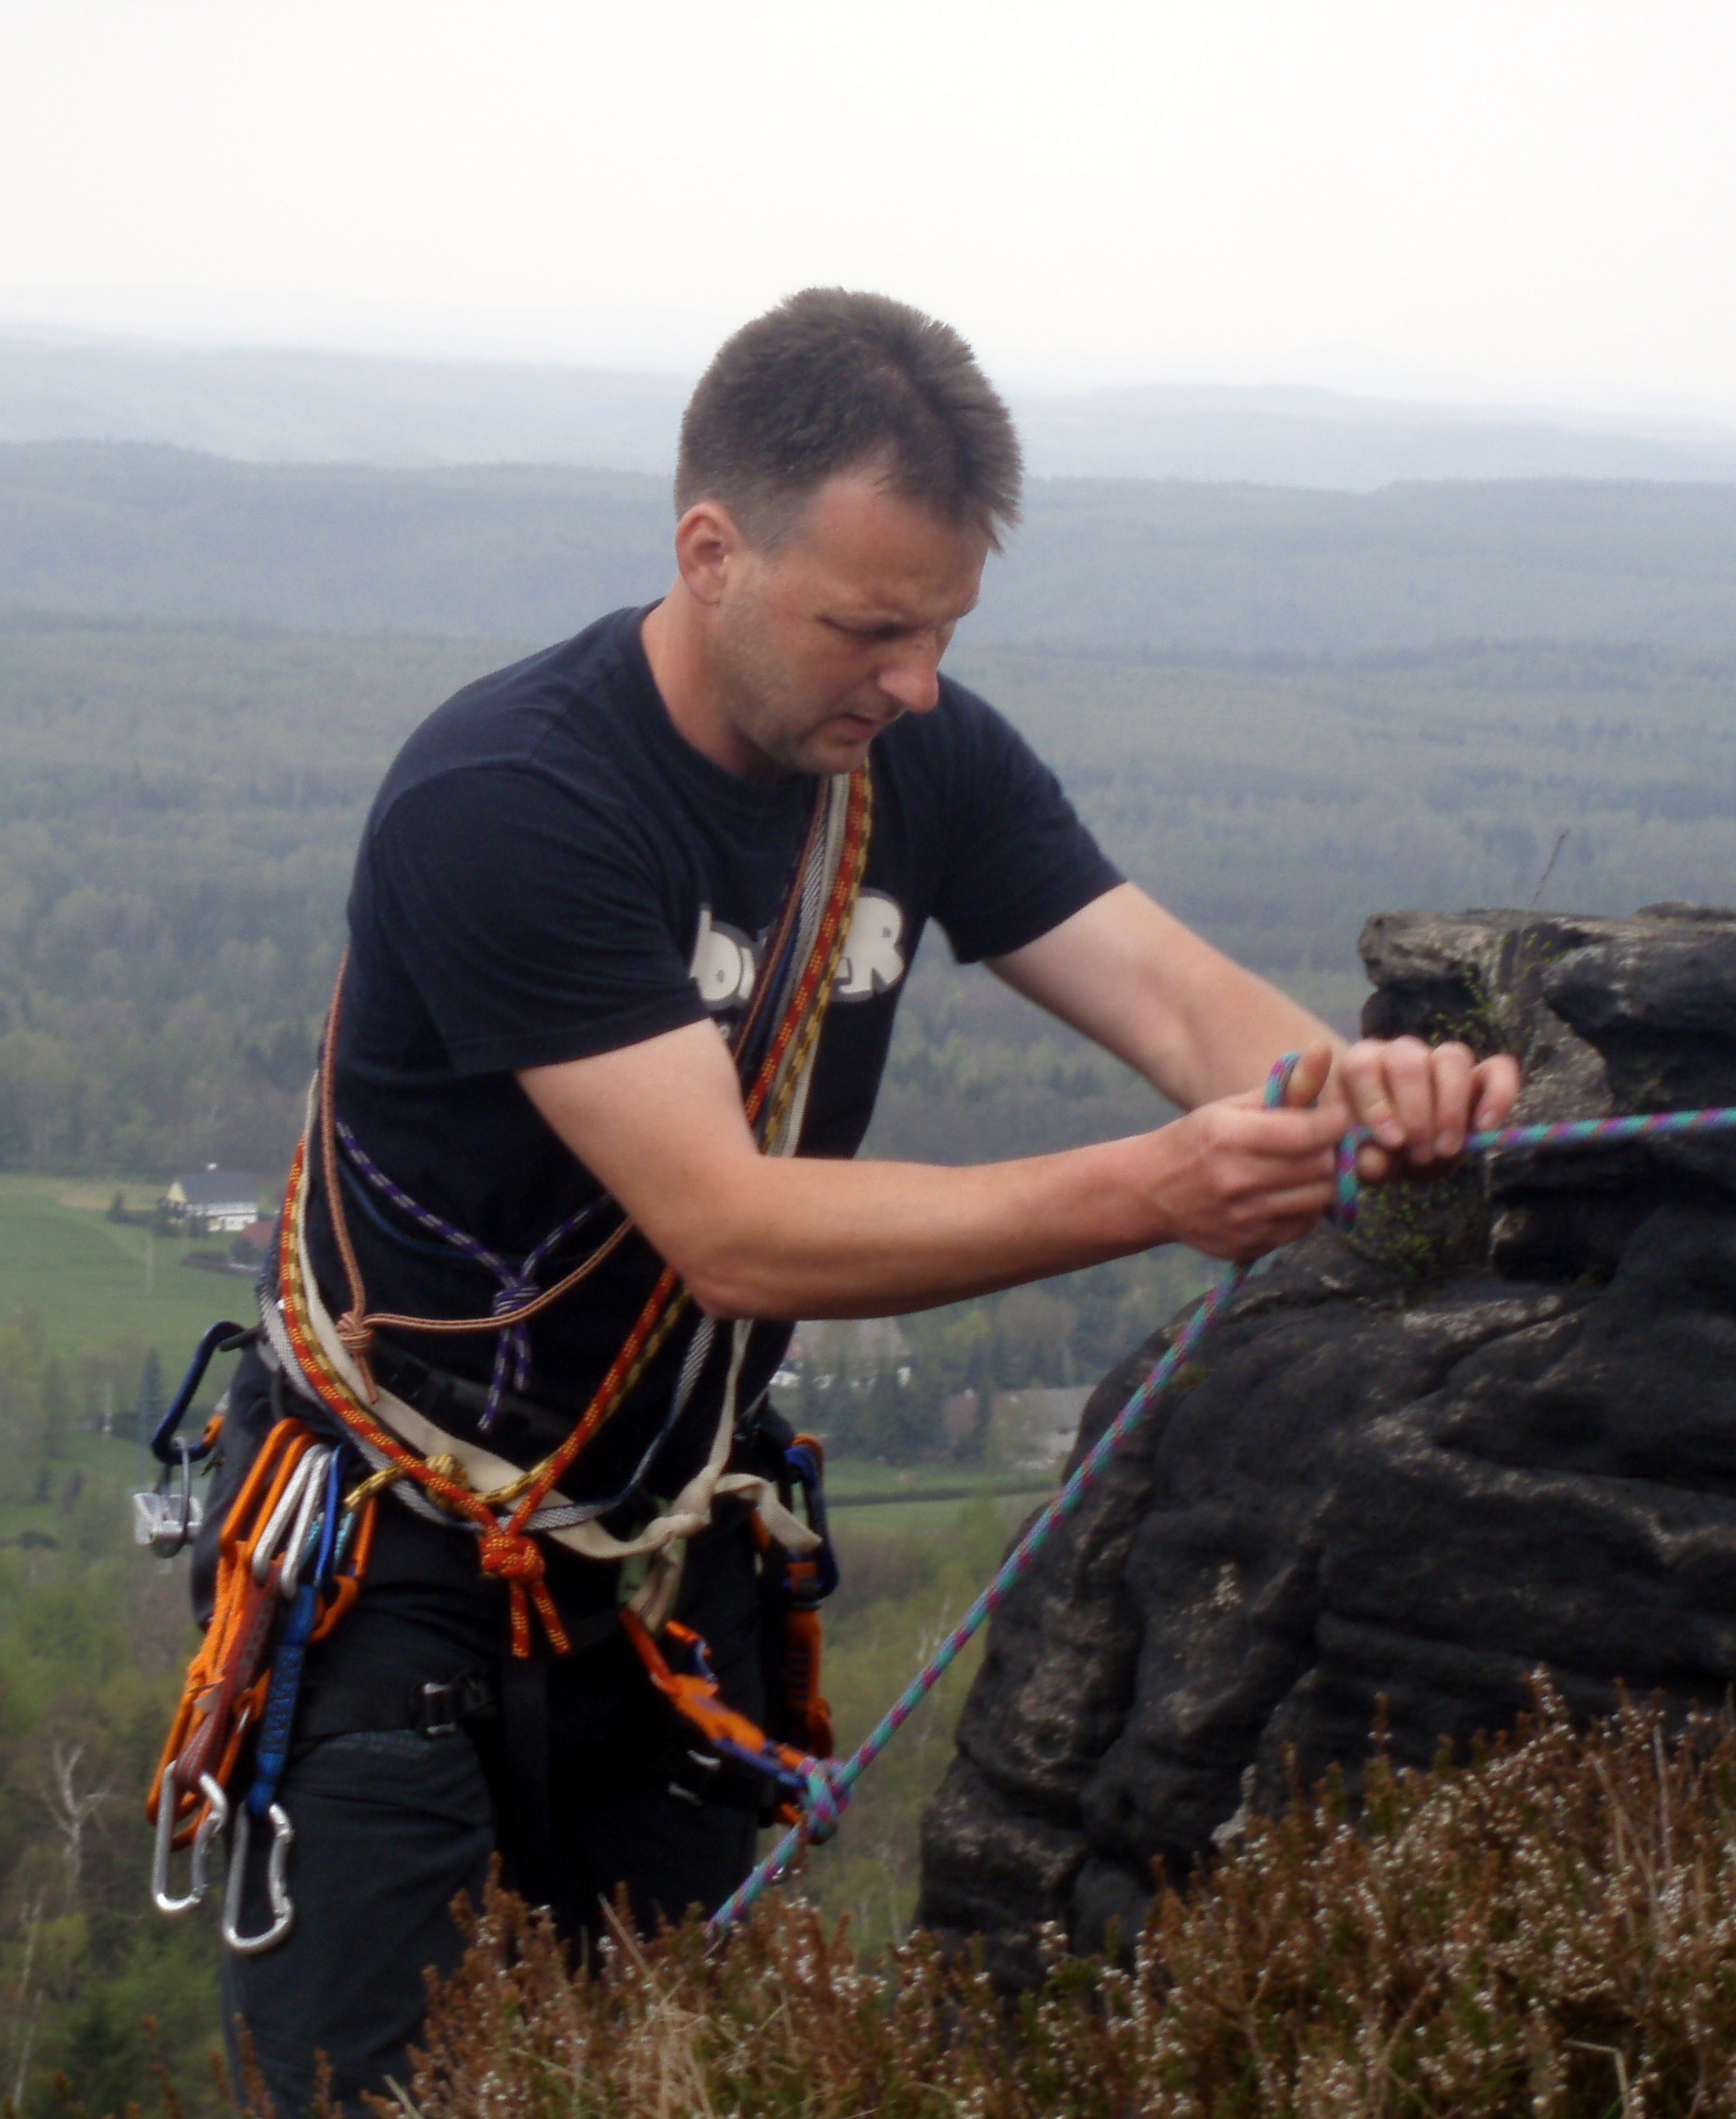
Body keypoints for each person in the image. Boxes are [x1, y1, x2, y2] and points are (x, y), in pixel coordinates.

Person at [168, 288, 1521, 2111]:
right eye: (871, 629)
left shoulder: (911, 764)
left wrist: (1352, 1093)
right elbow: (727, 1230)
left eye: (944, 630)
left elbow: (1177, 1003)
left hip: (666, 1572)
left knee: (661, 2077)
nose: (913, 682)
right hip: (396, 1576)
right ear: (710, 554)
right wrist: (1160, 1187)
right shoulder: (512, 800)